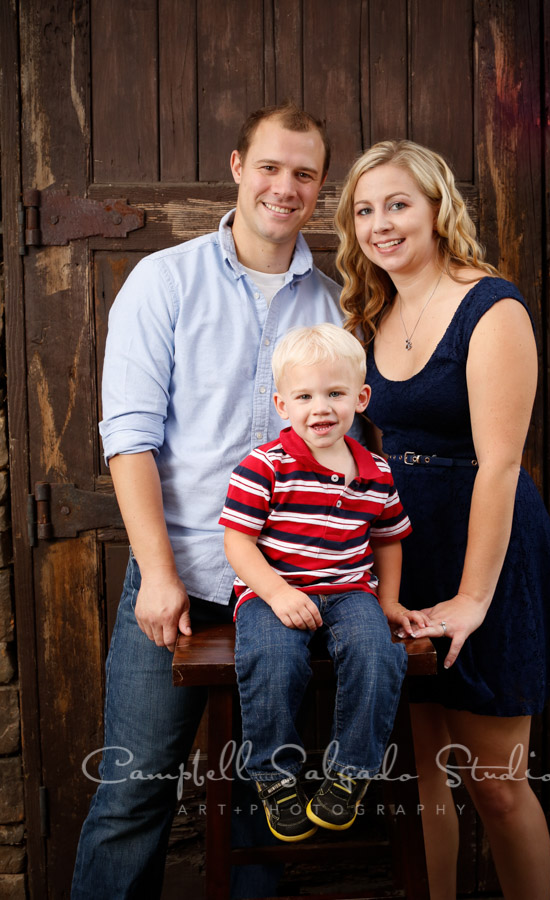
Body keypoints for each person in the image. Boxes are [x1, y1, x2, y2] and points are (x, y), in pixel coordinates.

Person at [72, 102, 355, 900]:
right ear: (237, 167)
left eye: (303, 173)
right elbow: (129, 435)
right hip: (184, 582)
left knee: (269, 804)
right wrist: (157, 576)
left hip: (290, 596)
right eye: (270, 166)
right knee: (133, 792)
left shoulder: (332, 304)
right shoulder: (164, 280)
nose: (284, 186)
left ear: (320, 187)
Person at [334, 140, 550, 900]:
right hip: (403, 551)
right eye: (364, 210)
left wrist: (473, 598)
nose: (380, 224)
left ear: (438, 209)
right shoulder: (372, 310)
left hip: (485, 549)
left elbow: (499, 467)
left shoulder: (490, 305)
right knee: (420, 782)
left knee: (496, 785)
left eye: (397, 204)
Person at [220, 324, 421, 842]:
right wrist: (278, 593)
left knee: (378, 653)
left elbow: (387, 539)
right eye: (305, 396)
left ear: (362, 397)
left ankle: (351, 774)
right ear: (282, 404)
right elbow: (238, 543)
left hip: (350, 590)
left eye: (335, 393)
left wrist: (390, 602)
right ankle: (273, 778)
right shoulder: (264, 465)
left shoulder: (375, 471)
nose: (321, 408)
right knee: (274, 658)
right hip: (273, 591)